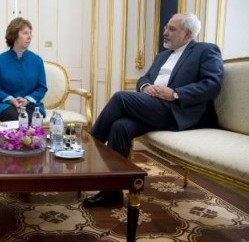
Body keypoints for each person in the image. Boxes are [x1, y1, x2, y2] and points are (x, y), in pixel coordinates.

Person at [83, 13, 224, 208]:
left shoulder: (205, 50)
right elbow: (144, 78)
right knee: (119, 126)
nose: (165, 33)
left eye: (171, 29)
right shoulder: (162, 55)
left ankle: (89, 147)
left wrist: (175, 93)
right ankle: (111, 193)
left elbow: (212, 85)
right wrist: (145, 87)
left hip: (176, 110)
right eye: (166, 27)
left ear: (187, 34)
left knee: (120, 97)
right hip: (153, 106)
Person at [0, 17, 47, 124]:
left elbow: (42, 88)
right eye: (25, 33)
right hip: (6, 105)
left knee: (30, 118)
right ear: (14, 35)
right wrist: (12, 100)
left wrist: (27, 100)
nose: (29, 37)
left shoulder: (37, 60)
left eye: (30, 33)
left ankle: (31, 140)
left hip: (31, 105)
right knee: (15, 117)